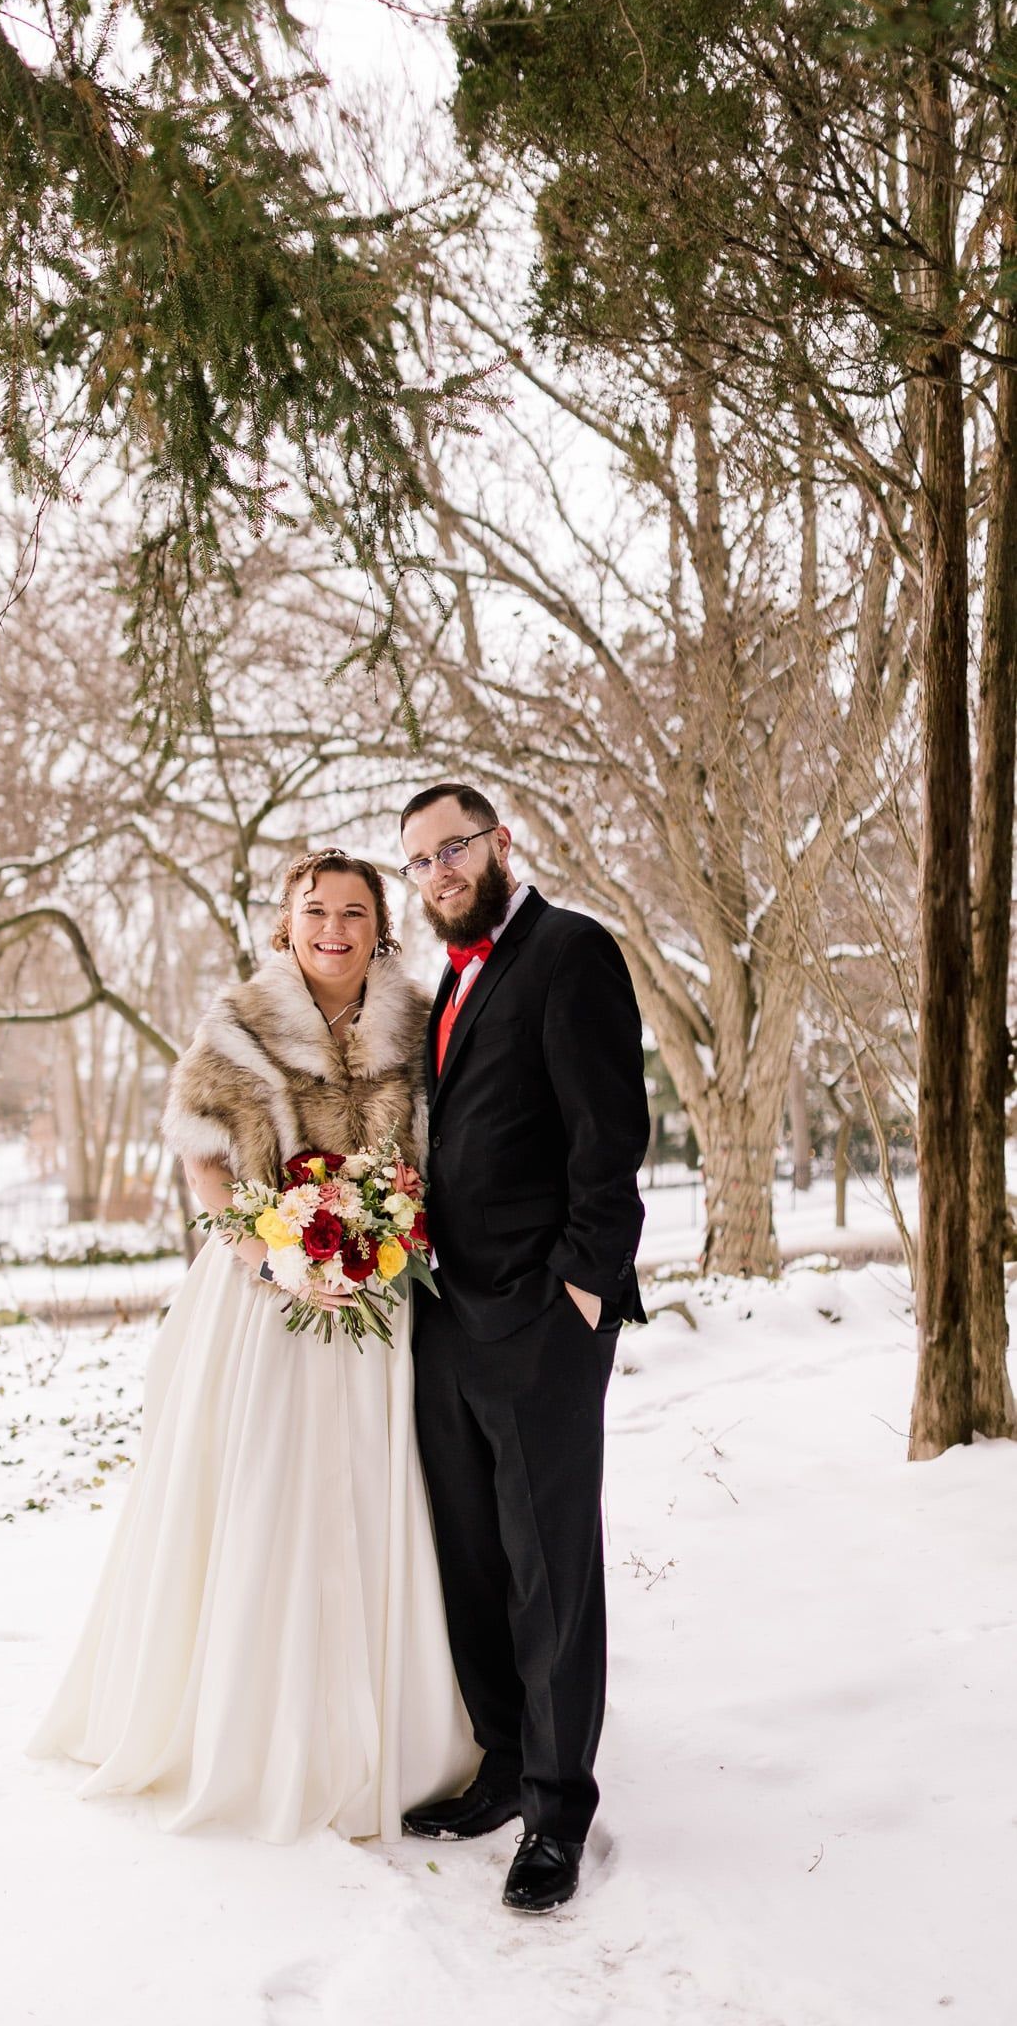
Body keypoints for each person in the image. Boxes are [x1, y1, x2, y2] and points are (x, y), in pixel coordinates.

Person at [27, 849, 477, 1842]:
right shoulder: (238, 1021)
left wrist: (386, 1233)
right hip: (264, 1300)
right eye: (314, 910)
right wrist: (268, 1257)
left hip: (384, 1303)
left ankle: (399, 1729)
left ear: (379, 925)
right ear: (286, 921)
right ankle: (246, 1730)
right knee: (265, 1492)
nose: (333, 929)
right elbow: (200, 1161)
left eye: (354, 912)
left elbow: (438, 1157)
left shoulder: (419, 1021)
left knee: (380, 1493)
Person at [397, 783, 649, 1914]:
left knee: (552, 1571)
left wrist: (583, 1289)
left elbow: (609, 1135)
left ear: (500, 843)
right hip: (448, 1317)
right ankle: (502, 1762)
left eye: (452, 847)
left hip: (545, 1319)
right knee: (476, 1559)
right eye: (418, 860)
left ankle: (557, 1805)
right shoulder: (448, 979)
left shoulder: (568, 950)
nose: (436, 871)